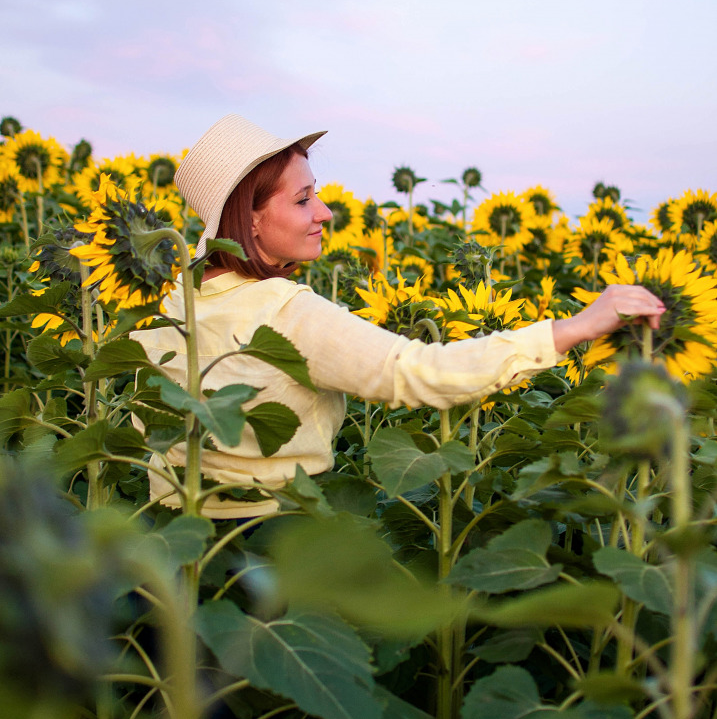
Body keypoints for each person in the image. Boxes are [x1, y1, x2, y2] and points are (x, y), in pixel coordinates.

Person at [132, 114, 666, 519]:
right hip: (272, 543)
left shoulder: (173, 306)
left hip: (174, 542)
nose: (324, 212)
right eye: (302, 200)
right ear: (250, 219)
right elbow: (420, 372)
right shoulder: (287, 314)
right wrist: (576, 327)